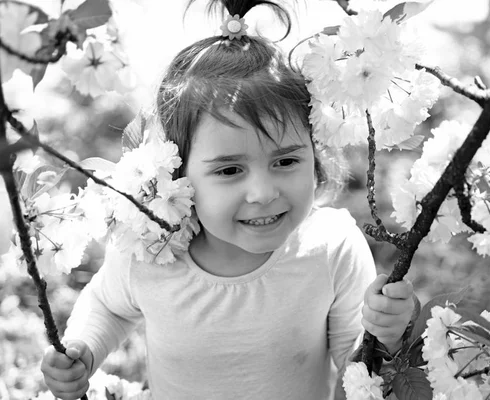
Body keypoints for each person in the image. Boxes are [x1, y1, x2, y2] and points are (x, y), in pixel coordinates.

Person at [40, 0, 415, 398]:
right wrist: (84, 349)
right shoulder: (150, 250)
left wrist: (386, 338)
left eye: (286, 160)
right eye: (229, 170)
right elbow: (108, 306)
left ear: (315, 153)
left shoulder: (331, 248)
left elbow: (357, 369)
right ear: (178, 175)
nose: (263, 193)